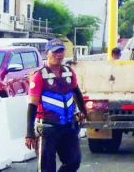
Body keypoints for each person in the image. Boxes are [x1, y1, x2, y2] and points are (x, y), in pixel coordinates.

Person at [25, 39, 87, 172]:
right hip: (48, 129)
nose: (58, 55)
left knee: (74, 161)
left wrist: (84, 112)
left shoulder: (68, 72)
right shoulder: (39, 76)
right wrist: (29, 133)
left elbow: (77, 92)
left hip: (68, 127)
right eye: (55, 52)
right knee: (46, 168)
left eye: (61, 51)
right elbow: (32, 105)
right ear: (47, 53)